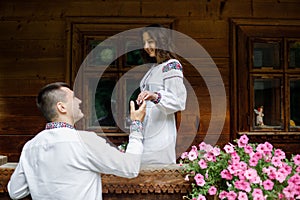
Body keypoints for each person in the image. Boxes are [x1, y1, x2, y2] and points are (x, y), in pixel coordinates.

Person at [8, 82, 146, 200]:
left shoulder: (31, 146)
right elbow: (130, 168)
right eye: (73, 98)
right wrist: (136, 125)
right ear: (61, 107)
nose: (79, 101)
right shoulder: (85, 140)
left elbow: (15, 191)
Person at [136, 24, 187, 165]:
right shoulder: (154, 68)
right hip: (147, 128)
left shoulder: (172, 65)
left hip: (161, 130)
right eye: (144, 42)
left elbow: (179, 101)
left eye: (150, 41)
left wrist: (155, 96)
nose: (146, 46)